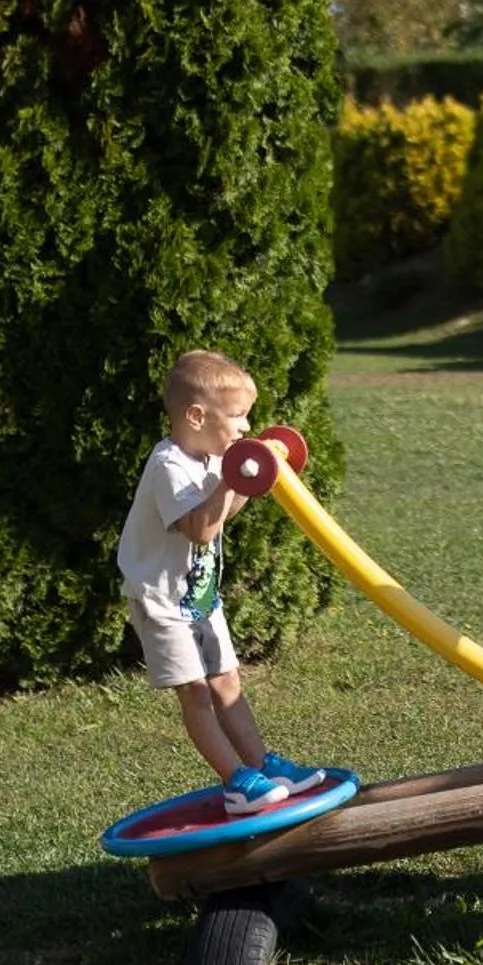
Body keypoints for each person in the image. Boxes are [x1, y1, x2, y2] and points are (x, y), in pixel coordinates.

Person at [116, 349, 332, 815]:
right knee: (195, 691)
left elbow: (223, 512)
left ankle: (264, 765)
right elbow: (200, 528)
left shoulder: (213, 460)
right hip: (162, 600)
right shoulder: (169, 465)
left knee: (227, 681)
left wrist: (245, 479)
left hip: (199, 598)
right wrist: (231, 477)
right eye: (237, 417)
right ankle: (237, 782)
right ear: (196, 416)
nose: (245, 429)